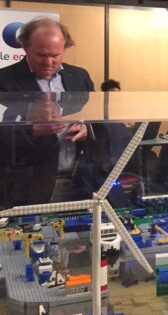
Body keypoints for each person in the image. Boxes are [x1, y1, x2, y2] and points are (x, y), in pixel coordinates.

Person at [0, 18, 97, 206]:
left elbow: (96, 116)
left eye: (55, 55)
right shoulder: (4, 80)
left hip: (80, 177)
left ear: (65, 49)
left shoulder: (80, 77)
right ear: (25, 47)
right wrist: (32, 130)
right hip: (26, 181)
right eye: (41, 55)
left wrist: (87, 127)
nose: (48, 62)